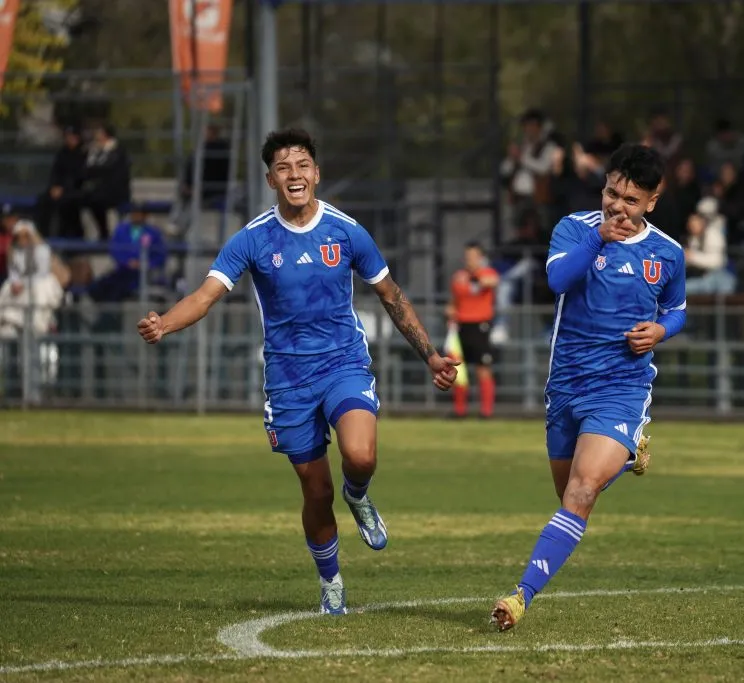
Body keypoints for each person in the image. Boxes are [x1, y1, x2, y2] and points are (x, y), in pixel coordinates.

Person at [137, 129, 459, 615]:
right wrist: (166, 323)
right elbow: (205, 296)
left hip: (343, 364)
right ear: (271, 179)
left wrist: (431, 355)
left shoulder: (347, 231)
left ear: (317, 173)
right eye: (284, 168)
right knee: (316, 490)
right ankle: (331, 581)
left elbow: (390, 294)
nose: (295, 175)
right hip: (288, 382)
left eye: (303, 165)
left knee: (361, 455)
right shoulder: (253, 238)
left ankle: (360, 494)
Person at [490, 144, 686, 631]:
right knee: (571, 497)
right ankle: (630, 451)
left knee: (581, 490)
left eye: (631, 200)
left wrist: (662, 331)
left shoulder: (667, 252)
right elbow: (557, 279)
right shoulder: (574, 229)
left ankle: (520, 596)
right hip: (566, 386)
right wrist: (599, 239)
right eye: (612, 193)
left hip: (621, 386)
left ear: (651, 203)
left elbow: (677, 308)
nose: (618, 206)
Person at [446, 242, 500, 418]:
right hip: (461, 326)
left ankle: (486, 412)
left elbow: (492, 281)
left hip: (480, 325)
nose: (470, 261)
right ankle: (460, 411)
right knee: (458, 369)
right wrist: (450, 311)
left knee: (482, 368)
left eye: (474, 257)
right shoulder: (458, 277)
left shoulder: (486, 273)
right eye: (468, 257)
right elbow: (454, 302)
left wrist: (472, 277)